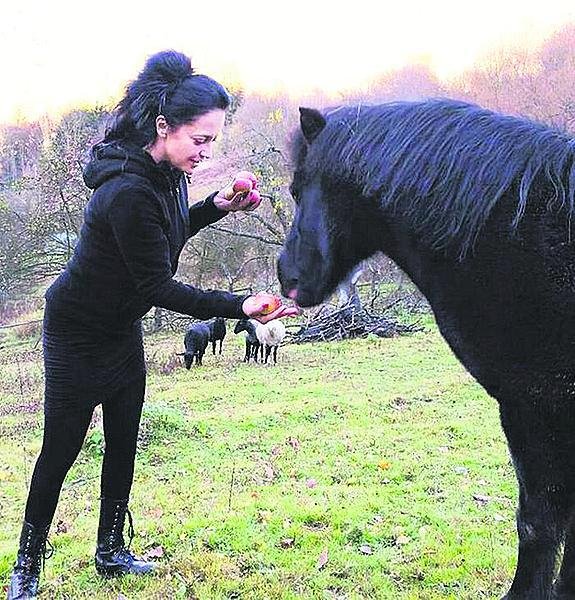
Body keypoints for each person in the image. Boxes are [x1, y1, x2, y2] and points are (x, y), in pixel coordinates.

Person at [6, 50, 298, 600]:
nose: (206, 151)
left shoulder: (162, 174)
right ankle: (26, 567)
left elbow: (172, 228)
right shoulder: (128, 191)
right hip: (76, 333)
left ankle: (111, 550)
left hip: (119, 330)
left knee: (123, 441)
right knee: (60, 450)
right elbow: (158, 287)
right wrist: (243, 305)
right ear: (163, 128)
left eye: (213, 141)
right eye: (200, 140)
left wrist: (220, 204)